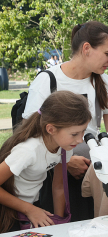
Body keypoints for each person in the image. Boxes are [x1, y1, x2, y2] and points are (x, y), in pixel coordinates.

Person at [22, 21, 108, 221]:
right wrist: (65, 162)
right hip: (54, 173)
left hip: (94, 170)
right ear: (87, 48)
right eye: (107, 53)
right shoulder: (48, 80)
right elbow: (30, 134)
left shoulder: (105, 82)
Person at [0, 91, 91, 233]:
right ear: (51, 129)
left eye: (83, 131)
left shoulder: (65, 147)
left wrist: (59, 224)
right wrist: (29, 209)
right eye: (74, 134)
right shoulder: (28, 150)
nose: (80, 140)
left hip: (31, 207)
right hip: (9, 212)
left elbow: (59, 187)